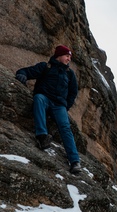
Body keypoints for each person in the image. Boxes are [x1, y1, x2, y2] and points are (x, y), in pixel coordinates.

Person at [16, 45, 81, 174]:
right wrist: (21, 75)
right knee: (38, 98)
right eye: (67, 56)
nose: (69, 59)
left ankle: (75, 161)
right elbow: (26, 71)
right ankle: (42, 136)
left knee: (65, 128)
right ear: (59, 55)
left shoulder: (69, 74)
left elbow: (73, 92)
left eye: (70, 57)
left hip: (59, 106)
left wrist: (65, 106)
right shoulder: (46, 67)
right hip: (44, 98)